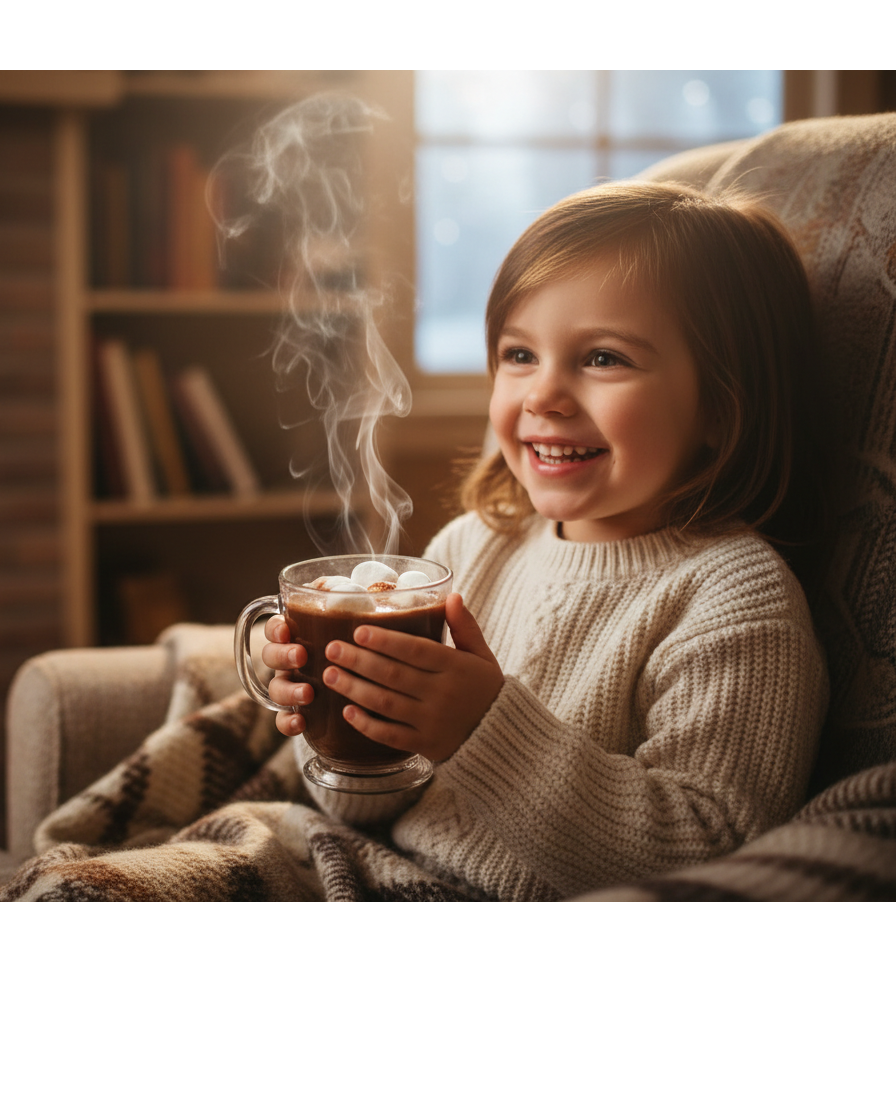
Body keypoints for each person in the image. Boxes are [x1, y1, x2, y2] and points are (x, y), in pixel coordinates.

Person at [262, 180, 831, 902]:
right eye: (519, 354)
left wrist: (481, 730)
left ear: (723, 405)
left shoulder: (734, 600)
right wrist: (338, 722)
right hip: (380, 872)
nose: (542, 397)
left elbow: (709, 856)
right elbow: (364, 809)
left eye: (603, 358)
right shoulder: (472, 548)